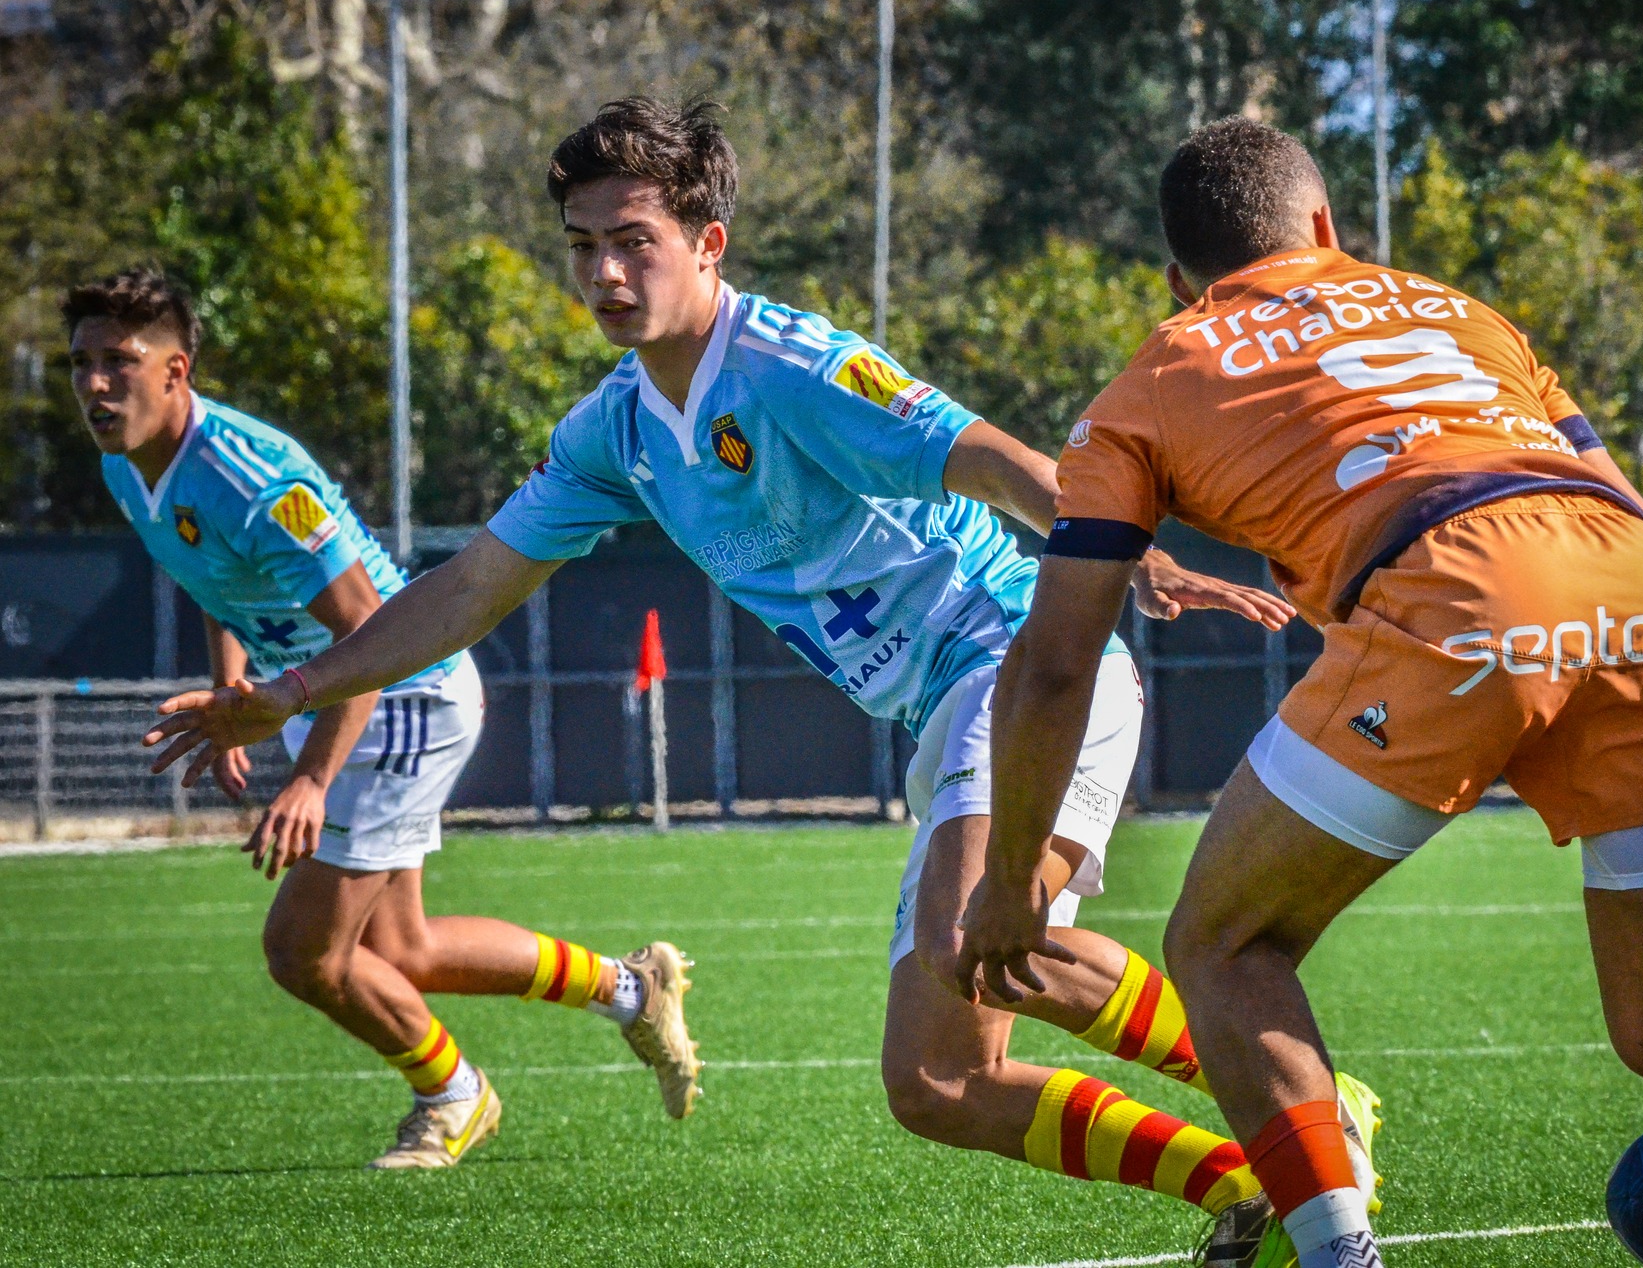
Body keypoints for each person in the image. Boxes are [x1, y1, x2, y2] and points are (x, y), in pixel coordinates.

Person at [139, 98, 1381, 1251]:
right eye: (581, 247)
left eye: (633, 241)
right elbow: (468, 589)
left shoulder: (787, 366)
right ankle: (1247, 1176)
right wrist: (292, 692)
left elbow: (985, 452)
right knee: (937, 1084)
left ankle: (1307, 1119)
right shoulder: (615, 431)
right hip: (939, 708)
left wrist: (1121, 553)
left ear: (707, 241)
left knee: (977, 940)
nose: (604, 275)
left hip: (1009, 659)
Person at [955, 117, 1643, 1268]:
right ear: (1326, 227)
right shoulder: (1462, 314)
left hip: (1459, 595)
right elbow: (1623, 503)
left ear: (1177, 280)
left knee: (1224, 945)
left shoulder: (1154, 376)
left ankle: (1338, 1257)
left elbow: (1056, 656)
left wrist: (1016, 874)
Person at [71, 268, 698, 1169]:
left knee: (304, 954)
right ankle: (630, 991)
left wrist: (313, 781)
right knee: (402, 950)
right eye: (82, 362)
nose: (96, 384)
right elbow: (211, 576)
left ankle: (454, 1096)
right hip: (330, 696)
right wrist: (229, 694)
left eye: (120, 363)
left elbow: (367, 628)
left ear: (178, 372)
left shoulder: (246, 475)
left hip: (402, 692)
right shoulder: (128, 468)